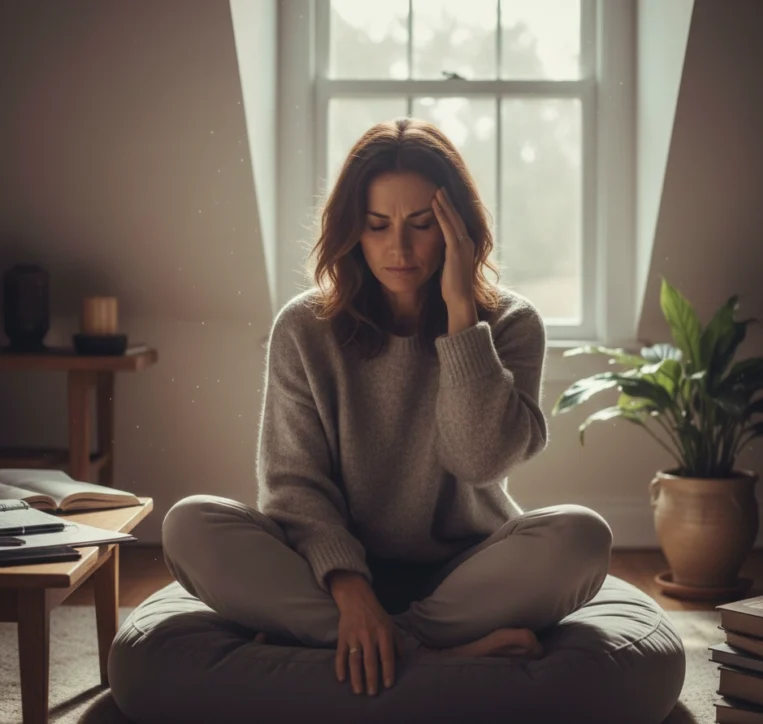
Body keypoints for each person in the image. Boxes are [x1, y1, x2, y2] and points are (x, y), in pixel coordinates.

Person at [162, 117, 613, 700]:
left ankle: (364, 645)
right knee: (189, 524)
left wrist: (459, 315)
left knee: (582, 537)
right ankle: (431, 654)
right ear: (352, 231)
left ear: (458, 230)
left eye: (422, 225)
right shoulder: (304, 328)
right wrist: (352, 592)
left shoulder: (511, 323)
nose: (398, 248)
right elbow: (292, 486)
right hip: (329, 577)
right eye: (377, 225)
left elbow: (478, 459)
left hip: (464, 575)